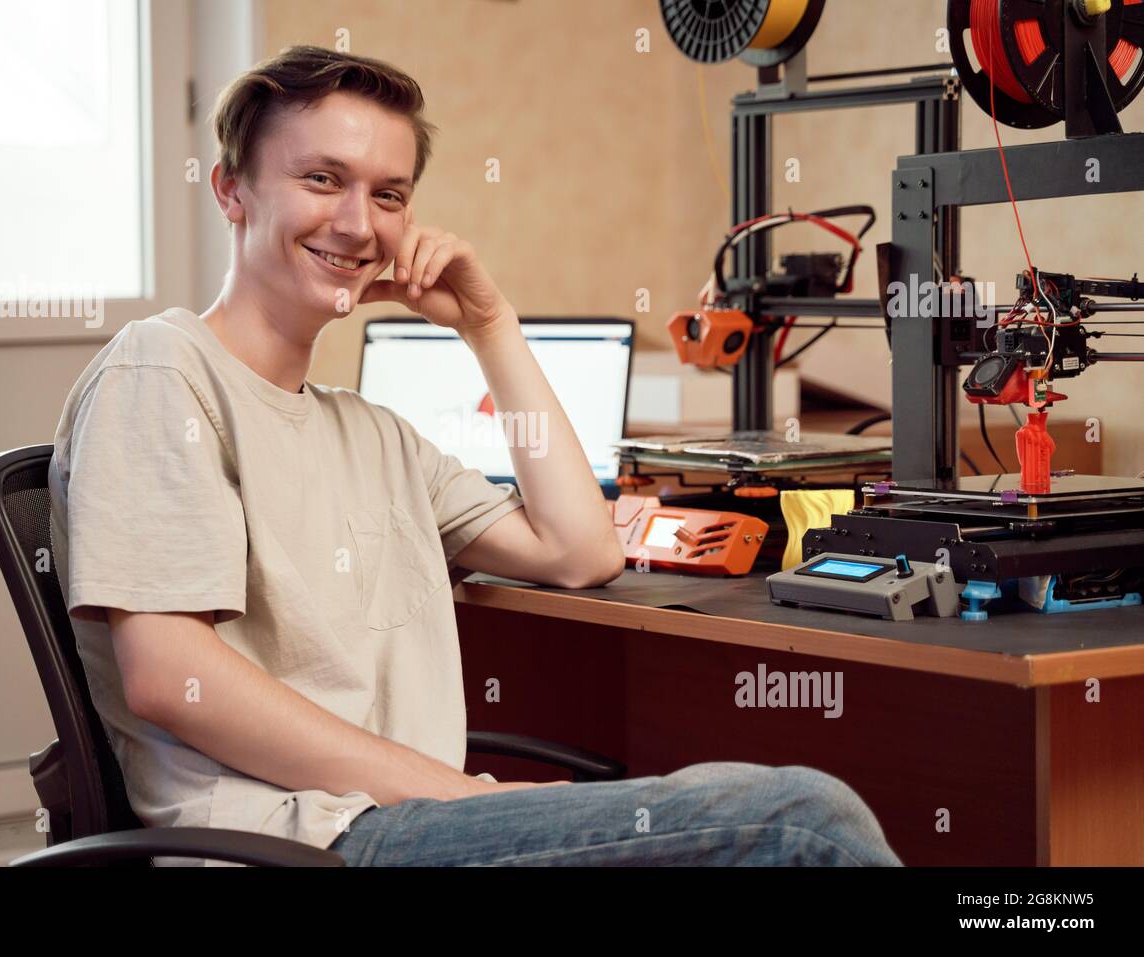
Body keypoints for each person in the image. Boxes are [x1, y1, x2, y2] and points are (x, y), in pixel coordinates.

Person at [48, 45, 900, 867]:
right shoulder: (161, 368)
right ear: (231, 189)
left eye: (389, 195)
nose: (357, 222)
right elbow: (167, 675)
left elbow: (581, 550)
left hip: (409, 818)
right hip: (305, 841)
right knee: (802, 823)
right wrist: (463, 797)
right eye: (322, 179)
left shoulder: (370, 432)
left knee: (771, 799)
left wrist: (490, 325)